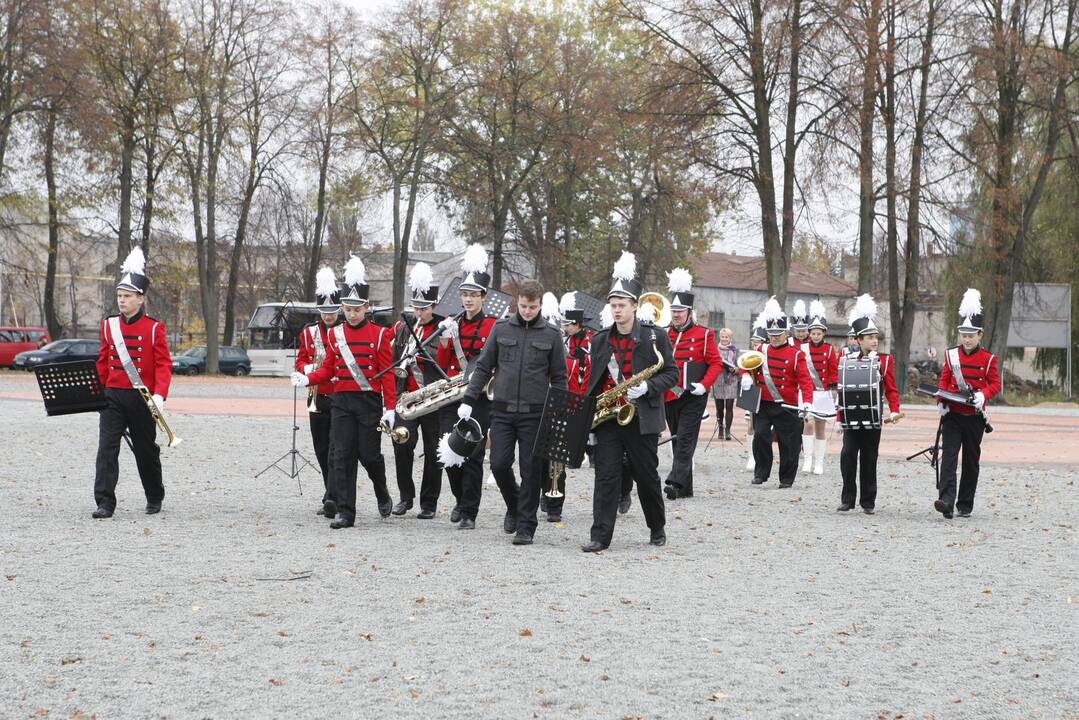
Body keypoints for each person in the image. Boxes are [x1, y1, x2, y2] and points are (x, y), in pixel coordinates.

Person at [582, 251, 678, 553]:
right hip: (611, 418)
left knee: (646, 476)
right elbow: (592, 383)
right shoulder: (599, 340)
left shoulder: (654, 337)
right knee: (606, 476)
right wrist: (587, 421)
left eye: (622, 305)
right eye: (613, 306)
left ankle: (657, 526)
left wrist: (649, 386)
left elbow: (672, 374)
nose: (617, 311)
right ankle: (600, 536)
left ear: (635, 306)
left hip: (642, 417)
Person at [458, 282, 567, 545]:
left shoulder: (552, 335)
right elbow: (484, 367)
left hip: (535, 413)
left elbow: (559, 377)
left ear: (540, 304)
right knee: (498, 464)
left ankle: (526, 526)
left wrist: (558, 411)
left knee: (531, 470)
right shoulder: (501, 328)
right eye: (523, 306)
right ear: (516, 302)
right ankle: (515, 505)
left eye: (532, 307)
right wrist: (469, 398)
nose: (527, 311)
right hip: (503, 411)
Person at [291, 255, 396, 528]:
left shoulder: (381, 335)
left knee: (369, 456)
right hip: (342, 402)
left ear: (366, 307)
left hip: (369, 402)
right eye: (347, 309)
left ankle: (381, 490)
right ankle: (346, 511)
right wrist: (307, 379)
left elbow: (388, 378)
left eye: (356, 309)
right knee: (342, 454)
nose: (351, 314)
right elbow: (327, 368)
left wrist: (391, 409)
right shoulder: (335, 335)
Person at [92, 246, 173, 519]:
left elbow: (163, 364)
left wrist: (160, 395)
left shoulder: (153, 328)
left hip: (141, 397)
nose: (121, 301)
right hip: (113, 396)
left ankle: (154, 495)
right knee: (107, 449)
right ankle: (105, 502)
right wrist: (98, 392)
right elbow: (103, 362)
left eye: (126, 296)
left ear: (141, 298)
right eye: (119, 296)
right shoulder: (108, 326)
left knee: (145, 450)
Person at [434, 244, 498, 530]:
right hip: (452, 395)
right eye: (465, 294)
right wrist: (446, 340)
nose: (468, 299)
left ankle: (469, 511)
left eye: (473, 295)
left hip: (481, 397)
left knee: (472, 454)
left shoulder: (494, 326)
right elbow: (441, 361)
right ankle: (460, 500)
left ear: (483, 297)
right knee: (449, 452)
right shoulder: (453, 323)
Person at [934, 289, 1001, 520]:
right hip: (953, 415)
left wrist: (984, 395)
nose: (966, 339)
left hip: (974, 418)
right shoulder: (950, 355)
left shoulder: (990, 359)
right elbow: (944, 379)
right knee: (949, 457)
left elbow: (995, 384)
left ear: (980, 335)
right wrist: (940, 401)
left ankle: (965, 504)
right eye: (963, 334)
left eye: (971, 335)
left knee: (971, 460)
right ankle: (946, 502)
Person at [389, 262, 445, 519]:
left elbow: (447, 364)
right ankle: (405, 497)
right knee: (401, 444)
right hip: (407, 398)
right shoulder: (403, 327)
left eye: (425, 308)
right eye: (417, 307)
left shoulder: (444, 328)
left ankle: (429, 502)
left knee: (434, 450)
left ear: (434, 306)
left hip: (433, 397)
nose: (420, 312)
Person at [836, 295, 900, 514]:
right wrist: (838, 418)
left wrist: (895, 409)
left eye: (876, 337)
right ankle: (847, 499)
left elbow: (891, 388)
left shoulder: (885, 361)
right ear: (859, 340)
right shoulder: (846, 358)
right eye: (869, 337)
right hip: (851, 417)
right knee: (848, 456)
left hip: (873, 418)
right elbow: (842, 390)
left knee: (869, 459)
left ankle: (868, 502)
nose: (874, 341)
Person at [740, 297, 814, 488]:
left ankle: (786, 479)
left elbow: (805, 381)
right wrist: (746, 377)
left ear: (786, 333)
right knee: (761, 436)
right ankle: (761, 472)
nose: (774, 337)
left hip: (786, 405)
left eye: (778, 334)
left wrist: (807, 402)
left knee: (789, 443)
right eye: (771, 334)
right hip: (763, 403)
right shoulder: (760, 349)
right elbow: (744, 365)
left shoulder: (797, 354)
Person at [662, 268, 723, 500]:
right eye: (674, 310)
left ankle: (675, 483)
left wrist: (704, 385)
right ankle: (687, 488)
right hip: (670, 394)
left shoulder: (704, 334)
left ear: (689, 312)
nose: (676, 315)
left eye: (680, 311)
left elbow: (716, 364)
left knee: (686, 438)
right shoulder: (664, 333)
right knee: (677, 438)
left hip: (694, 395)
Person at [296, 267, 342, 519]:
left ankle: (333, 497)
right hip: (317, 395)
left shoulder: (344, 331)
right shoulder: (308, 333)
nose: (328, 316)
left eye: (332, 311)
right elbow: (300, 360)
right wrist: (307, 368)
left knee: (336, 448)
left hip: (340, 394)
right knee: (321, 449)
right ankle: (329, 492)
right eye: (324, 312)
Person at [799, 300, 840, 475]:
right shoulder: (802, 348)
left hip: (823, 392)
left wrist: (833, 388)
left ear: (824, 333)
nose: (815, 336)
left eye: (818, 333)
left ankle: (819, 462)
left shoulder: (830, 350)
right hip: (807, 392)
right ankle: (807, 459)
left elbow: (833, 370)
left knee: (821, 427)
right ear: (809, 333)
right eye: (813, 333)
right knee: (808, 423)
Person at [743, 316, 767, 471]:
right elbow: (742, 367)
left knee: (763, 428)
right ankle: (751, 457)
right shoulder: (750, 354)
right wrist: (744, 375)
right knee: (751, 424)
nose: (755, 343)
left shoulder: (767, 353)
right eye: (754, 340)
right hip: (752, 391)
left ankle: (762, 457)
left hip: (766, 392)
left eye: (758, 341)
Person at [712, 328, 739, 441]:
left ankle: (728, 431)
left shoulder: (735, 350)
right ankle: (720, 429)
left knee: (729, 406)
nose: (724, 339)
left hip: (731, 380)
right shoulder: (715, 349)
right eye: (722, 336)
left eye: (726, 337)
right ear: (719, 337)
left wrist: (735, 369)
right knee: (719, 408)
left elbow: (740, 365)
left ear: (730, 338)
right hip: (718, 380)